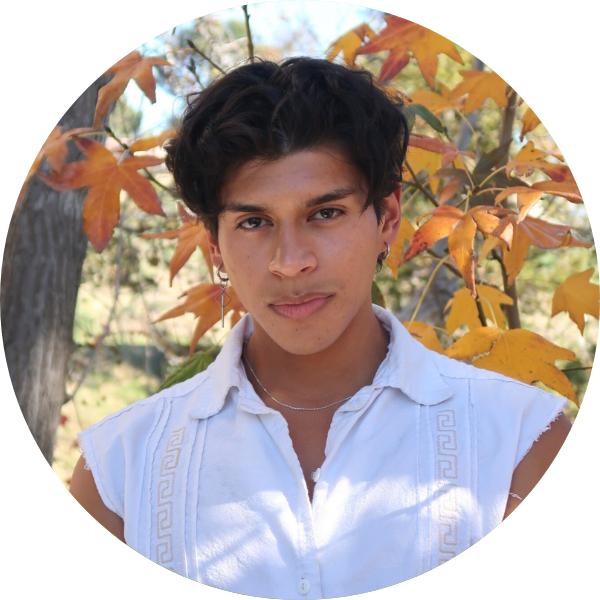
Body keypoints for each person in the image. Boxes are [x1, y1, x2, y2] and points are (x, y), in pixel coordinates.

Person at [69, 57, 571, 599]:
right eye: (254, 222)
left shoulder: (520, 442)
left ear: (387, 220)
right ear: (214, 245)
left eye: (325, 214)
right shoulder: (120, 470)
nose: (290, 261)